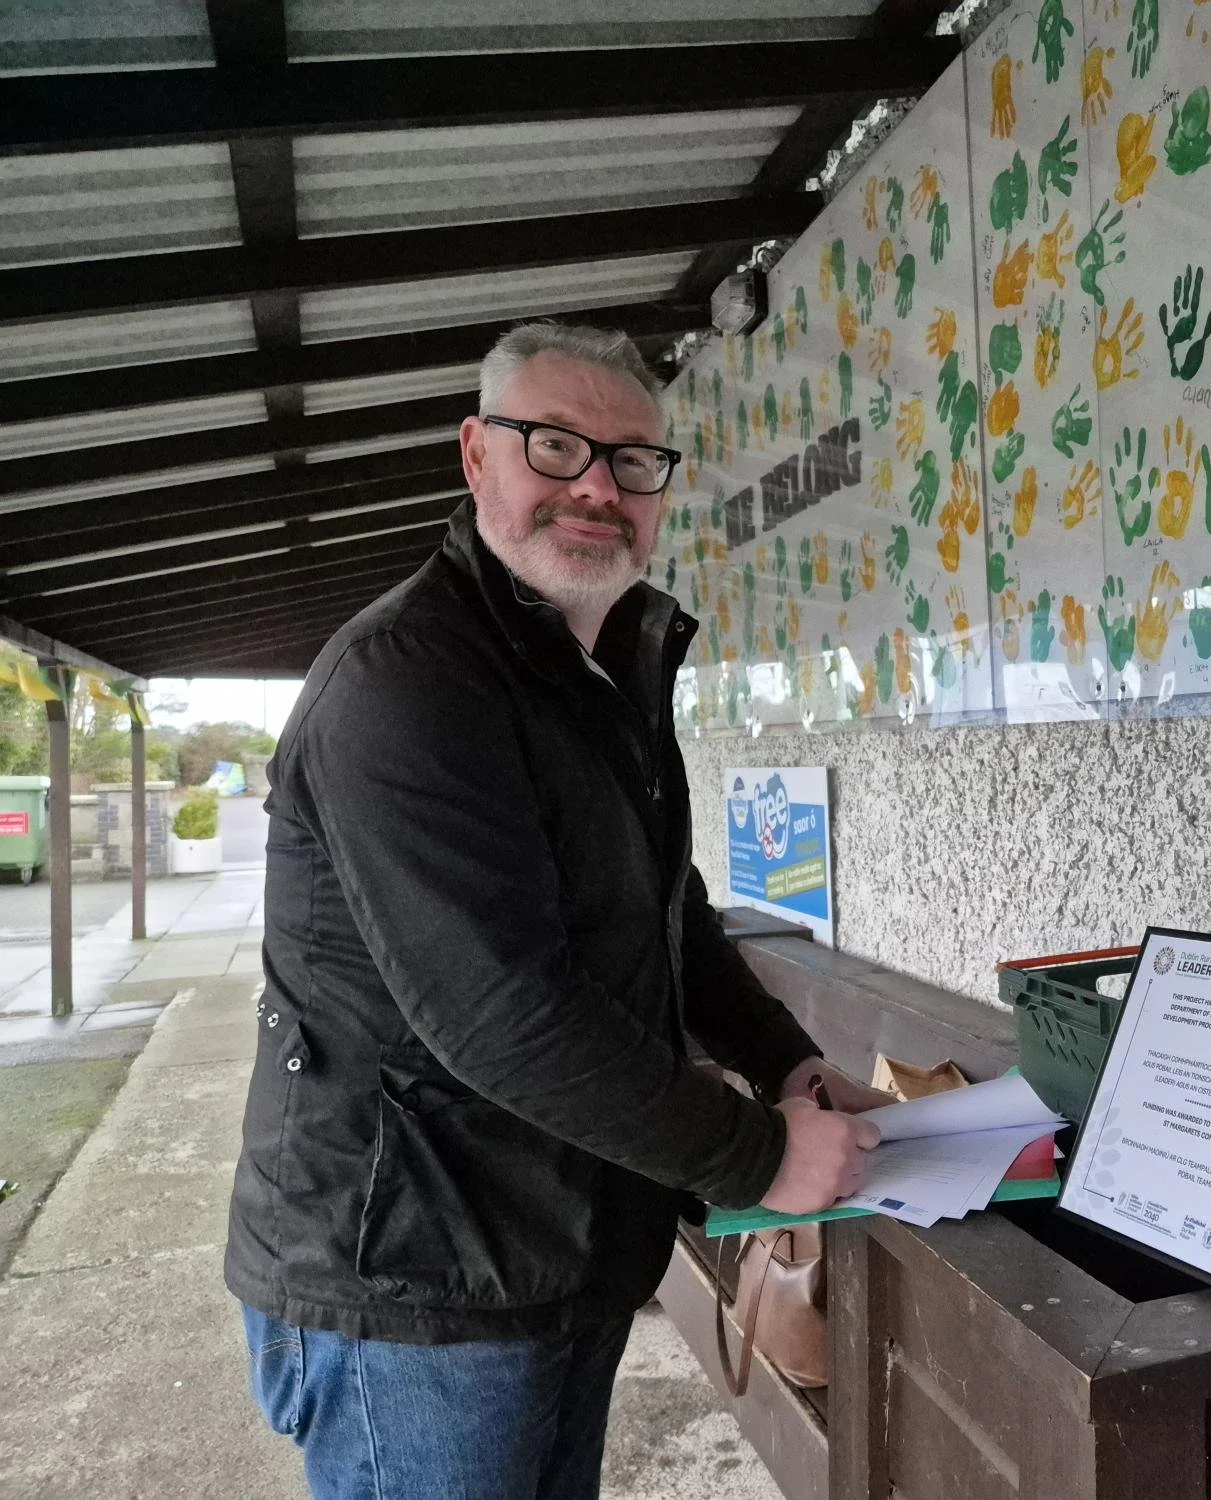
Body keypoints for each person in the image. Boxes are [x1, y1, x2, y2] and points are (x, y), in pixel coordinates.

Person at [225, 321, 886, 1499]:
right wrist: (754, 1159)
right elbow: (492, 1011)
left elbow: (666, 903)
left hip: (551, 1252)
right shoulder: (409, 680)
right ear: (477, 456)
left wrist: (787, 1063)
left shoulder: (595, 670)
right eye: (556, 446)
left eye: (633, 461)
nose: (598, 485)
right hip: (413, 1287)